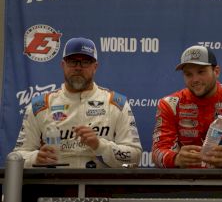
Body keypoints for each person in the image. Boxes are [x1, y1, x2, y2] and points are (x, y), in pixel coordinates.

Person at [13, 37, 142, 168]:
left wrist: (99, 145)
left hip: (100, 185)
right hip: (55, 184)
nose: (78, 68)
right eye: (72, 61)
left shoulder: (115, 103)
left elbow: (135, 157)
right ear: (63, 65)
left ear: (95, 67)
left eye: (85, 62)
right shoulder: (40, 105)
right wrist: (34, 158)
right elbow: (17, 156)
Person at [151, 45, 222, 168]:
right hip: (183, 183)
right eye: (188, 74)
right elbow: (158, 151)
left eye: (201, 72)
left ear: (216, 71)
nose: (195, 79)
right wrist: (176, 158)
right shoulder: (169, 104)